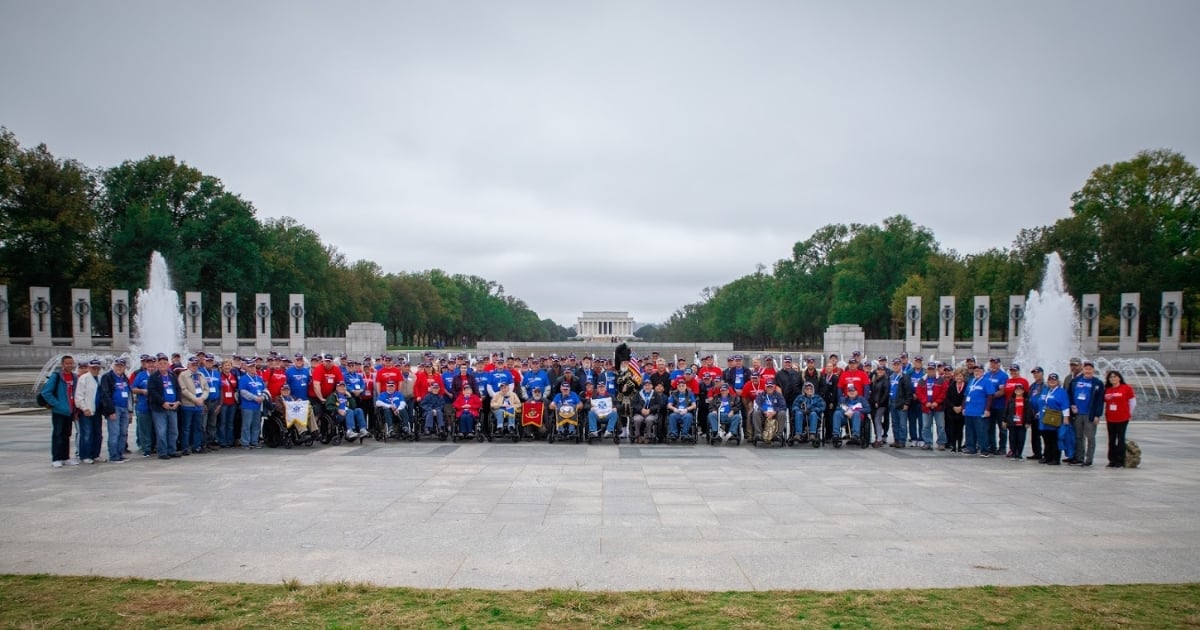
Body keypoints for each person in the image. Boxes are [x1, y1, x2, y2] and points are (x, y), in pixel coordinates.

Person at [1067, 360, 1105, 467]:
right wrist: (1072, 405)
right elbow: (1069, 394)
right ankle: (1079, 457)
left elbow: (1100, 401)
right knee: (1078, 436)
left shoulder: (1097, 383)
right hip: (1078, 413)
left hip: (1090, 414)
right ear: (1083, 369)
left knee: (1090, 437)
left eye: (1090, 369)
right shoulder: (1075, 381)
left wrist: (1098, 415)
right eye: (1086, 368)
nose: (1088, 371)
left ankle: (1089, 459)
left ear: (1093, 370)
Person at [42, 355, 78, 467]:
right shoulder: (56, 376)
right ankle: (56, 458)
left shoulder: (74, 377)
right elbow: (46, 393)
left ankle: (65, 457)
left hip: (70, 411)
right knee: (58, 434)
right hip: (59, 411)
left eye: (71, 363)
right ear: (62, 365)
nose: (70, 365)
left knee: (67, 434)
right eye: (67, 363)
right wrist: (57, 405)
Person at [147, 354, 182, 459]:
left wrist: (178, 401)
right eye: (160, 363)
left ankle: (172, 450)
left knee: (173, 431)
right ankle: (162, 452)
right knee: (161, 431)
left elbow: (178, 389)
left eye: (165, 363)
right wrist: (162, 402)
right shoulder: (154, 377)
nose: (163, 365)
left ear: (168, 364)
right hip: (160, 408)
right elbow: (152, 391)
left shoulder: (172, 376)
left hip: (173, 407)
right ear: (157, 364)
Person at [98, 358, 131, 463]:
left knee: (123, 433)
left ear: (125, 367)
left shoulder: (125, 378)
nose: (119, 367)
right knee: (114, 433)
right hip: (114, 408)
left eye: (121, 366)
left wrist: (130, 411)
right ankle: (114, 455)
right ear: (113, 366)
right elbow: (105, 394)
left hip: (125, 408)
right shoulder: (107, 377)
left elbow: (129, 394)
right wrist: (110, 411)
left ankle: (120, 453)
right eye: (117, 365)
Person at [1102, 370, 1135, 468]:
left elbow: (1132, 402)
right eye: (1110, 377)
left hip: (1122, 418)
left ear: (1119, 378)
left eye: (1115, 376)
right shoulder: (1107, 389)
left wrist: (1129, 413)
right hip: (1111, 418)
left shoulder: (1126, 388)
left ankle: (1120, 460)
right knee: (1111, 439)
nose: (1113, 378)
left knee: (1120, 439)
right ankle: (1112, 460)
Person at [177, 356, 209, 455]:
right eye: (193, 364)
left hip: (199, 405)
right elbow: (183, 390)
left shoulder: (201, 375)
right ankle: (185, 447)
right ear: (188, 365)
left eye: (196, 364)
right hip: (188, 404)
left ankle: (197, 446)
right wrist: (195, 399)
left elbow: (206, 389)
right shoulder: (183, 375)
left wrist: (202, 398)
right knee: (186, 427)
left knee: (198, 427)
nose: (195, 366)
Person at [963, 364, 996, 457]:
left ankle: (984, 449)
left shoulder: (986, 381)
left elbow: (990, 396)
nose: (976, 372)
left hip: (980, 411)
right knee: (969, 431)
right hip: (969, 410)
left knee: (981, 431)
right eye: (975, 371)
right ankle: (971, 447)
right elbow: (966, 395)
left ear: (983, 372)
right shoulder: (971, 381)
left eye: (978, 371)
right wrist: (964, 407)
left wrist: (987, 409)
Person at [73, 359, 103, 464]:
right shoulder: (83, 378)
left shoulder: (100, 378)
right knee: (87, 433)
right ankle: (85, 455)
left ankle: (95, 454)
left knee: (97, 433)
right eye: (93, 368)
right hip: (87, 411)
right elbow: (79, 396)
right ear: (89, 368)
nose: (95, 370)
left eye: (97, 368)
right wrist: (84, 408)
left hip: (97, 410)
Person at [1038, 373, 1070, 465]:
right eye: (1050, 380)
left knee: (1055, 439)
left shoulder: (1061, 392)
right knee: (1046, 438)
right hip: (1044, 418)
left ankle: (1056, 458)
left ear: (1058, 381)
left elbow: (1065, 405)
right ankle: (1047, 456)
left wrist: (1066, 418)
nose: (1052, 381)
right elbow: (1041, 402)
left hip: (1055, 418)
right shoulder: (1045, 390)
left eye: (1054, 380)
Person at [915, 362, 948, 450]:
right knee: (926, 426)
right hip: (926, 407)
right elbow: (919, 393)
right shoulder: (922, 380)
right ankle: (927, 442)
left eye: (932, 369)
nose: (931, 371)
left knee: (940, 425)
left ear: (935, 370)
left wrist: (937, 402)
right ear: (927, 370)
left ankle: (941, 442)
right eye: (929, 369)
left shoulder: (941, 380)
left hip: (938, 407)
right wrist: (925, 402)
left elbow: (944, 393)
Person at [237, 361, 266, 449]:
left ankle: (254, 441)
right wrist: (255, 398)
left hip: (257, 406)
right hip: (247, 406)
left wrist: (262, 397)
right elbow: (243, 392)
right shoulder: (243, 378)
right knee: (247, 425)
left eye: (253, 367)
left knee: (256, 424)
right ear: (247, 368)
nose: (252, 369)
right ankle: (245, 442)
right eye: (250, 367)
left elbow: (265, 390)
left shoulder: (259, 378)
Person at [130, 355, 155, 457]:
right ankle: (146, 449)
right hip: (143, 406)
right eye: (148, 363)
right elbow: (132, 388)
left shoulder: (159, 375)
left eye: (152, 363)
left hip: (157, 407)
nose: (151, 365)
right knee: (144, 428)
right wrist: (142, 391)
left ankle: (154, 446)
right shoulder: (140, 375)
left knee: (155, 428)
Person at [1003, 382, 1034, 460]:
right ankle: (1013, 453)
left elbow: (1028, 412)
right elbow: (1006, 411)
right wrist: (1004, 420)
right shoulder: (1011, 400)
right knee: (1012, 439)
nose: (1018, 391)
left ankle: (1019, 454)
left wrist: (1028, 422)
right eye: (1017, 389)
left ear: (1023, 391)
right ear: (1014, 391)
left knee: (1021, 439)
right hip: (1012, 423)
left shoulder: (1026, 401)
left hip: (1022, 424)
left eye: (1020, 389)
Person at [631, 379, 662, 443]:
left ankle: (648, 436)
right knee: (637, 419)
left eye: (649, 385)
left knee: (649, 419)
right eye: (645, 385)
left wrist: (650, 410)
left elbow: (659, 404)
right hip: (639, 413)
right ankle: (638, 436)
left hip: (651, 413)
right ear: (643, 386)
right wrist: (641, 409)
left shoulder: (655, 394)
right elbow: (633, 404)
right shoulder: (638, 394)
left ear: (652, 386)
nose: (647, 387)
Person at [867, 363, 891, 448]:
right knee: (876, 420)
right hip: (874, 404)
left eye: (882, 370)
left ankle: (879, 439)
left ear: (884, 371)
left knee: (877, 419)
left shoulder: (886, 380)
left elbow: (886, 393)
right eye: (879, 370)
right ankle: (878, 437)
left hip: (881, 404)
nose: (880, 371)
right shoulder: (875, 379)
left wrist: (879, 402)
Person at [943, 368, 967, 453]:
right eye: (957, 376)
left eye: (960, 376)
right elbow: (947, 398)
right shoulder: (951, 386)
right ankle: (953, 446)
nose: (959, 378)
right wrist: (953, 407)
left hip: (962, 410)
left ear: (963, 377)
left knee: (960, 429)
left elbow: (966, 397)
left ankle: (959, 446)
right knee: (952, 429)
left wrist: (961, 407)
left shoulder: (967, 385)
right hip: (952, 411)